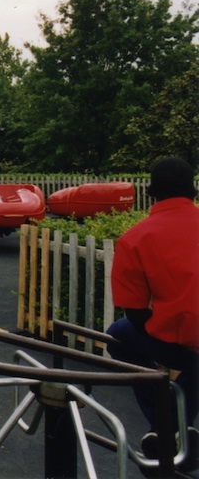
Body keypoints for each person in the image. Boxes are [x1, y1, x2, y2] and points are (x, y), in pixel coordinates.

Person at [106, 156, 199, 470]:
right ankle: (176, 425)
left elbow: (134, 312)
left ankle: (165, 423)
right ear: (193, 190)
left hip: (179, 341)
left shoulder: (134, 238)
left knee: (119, 335)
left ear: (151, 192)